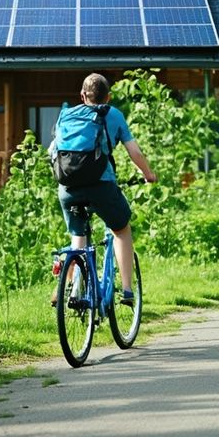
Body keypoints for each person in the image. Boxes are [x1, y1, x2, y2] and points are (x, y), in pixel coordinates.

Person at [50, 73, 157, 306]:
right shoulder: (113, 114)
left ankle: (72, 287)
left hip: (67, 187)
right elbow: (135, 153)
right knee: (121, 228)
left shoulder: (66, 115)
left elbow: (53, 152)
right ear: (108, 97)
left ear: (82, 95)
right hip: (100, 184)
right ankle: (128, 291)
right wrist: (148, 174)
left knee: (78, 236)